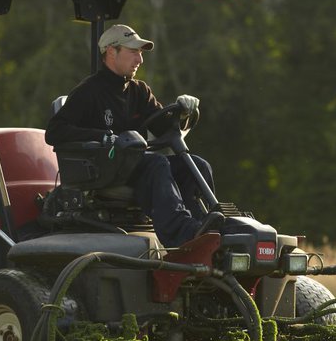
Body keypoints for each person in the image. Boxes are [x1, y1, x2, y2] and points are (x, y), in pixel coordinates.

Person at [45, 23, 224, 247]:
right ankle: (182, 234)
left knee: (197, 165)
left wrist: (183, 113)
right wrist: (103, 137)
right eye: (133, 52)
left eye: (140, 53)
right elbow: (55, 132)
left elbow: (163, 128)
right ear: (112, 52)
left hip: (135, 165)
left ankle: (204, 225)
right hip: (105, 170)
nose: (140, 59)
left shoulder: (139, 90)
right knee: (157, 163)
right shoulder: (88, 91)